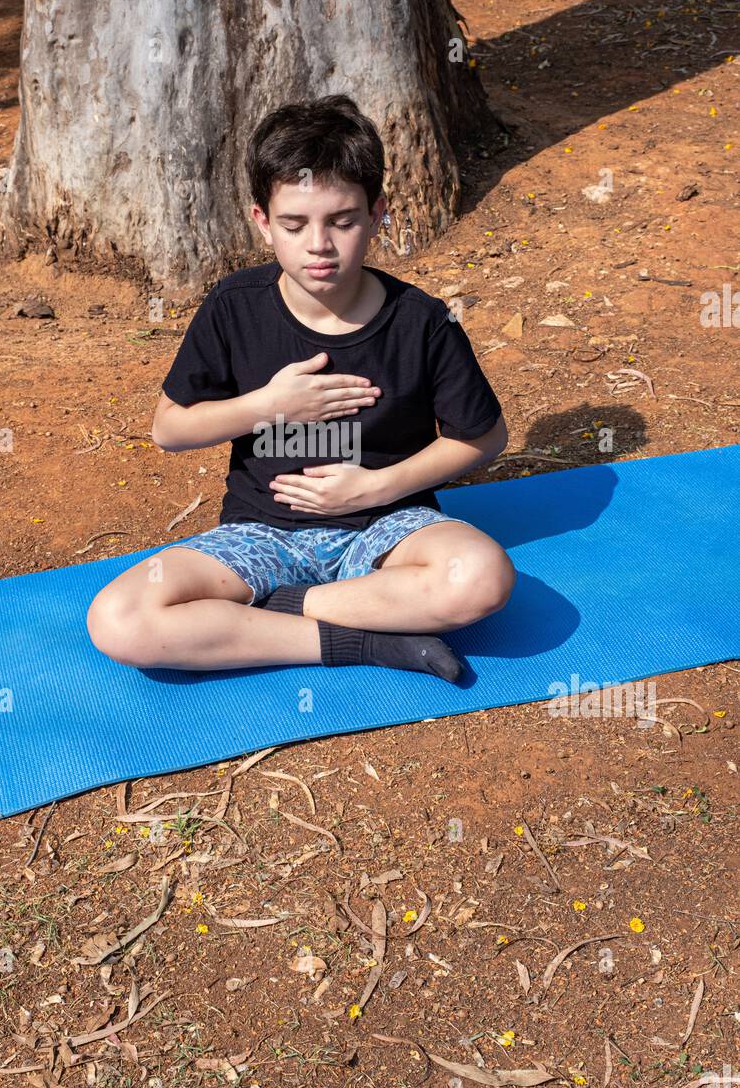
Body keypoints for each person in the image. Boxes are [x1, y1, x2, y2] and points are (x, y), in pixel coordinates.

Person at [87, 94, 516, 680]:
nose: (319, 244)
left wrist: (374, 489)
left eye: (342, 221)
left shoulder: (421, 321)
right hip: (261, 533)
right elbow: (169, 429)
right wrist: (268, 405)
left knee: (482, 577)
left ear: (377, 213)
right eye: (294, 224)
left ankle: (273, 616)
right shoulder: (234, 307)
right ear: (263, 221)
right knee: (119, 617)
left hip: (388, 527)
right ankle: (365, 642)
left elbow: (484, 437)